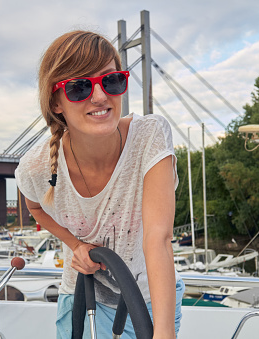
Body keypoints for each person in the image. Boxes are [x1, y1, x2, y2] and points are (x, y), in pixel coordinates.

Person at [15, 30, 184, 339]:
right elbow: (35, 208)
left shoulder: (150, 137)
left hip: (150, 301)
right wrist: (76, 245)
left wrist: (164, 333)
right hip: (82, 297)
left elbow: (158, 239)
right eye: (79, 87)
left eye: (112, 80)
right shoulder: (35, 167)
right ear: (55, 102)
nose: (100, 96)